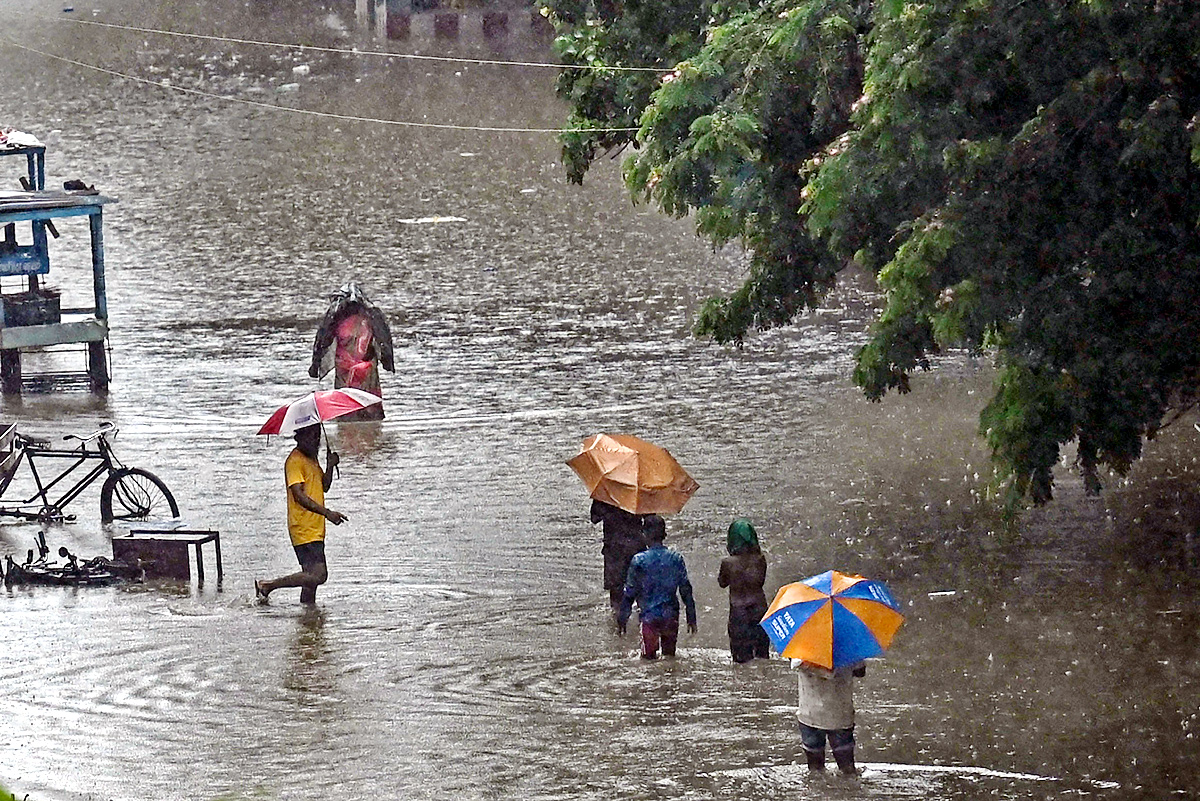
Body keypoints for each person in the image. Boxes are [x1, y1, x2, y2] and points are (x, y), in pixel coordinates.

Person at [255, 424, 348, 605]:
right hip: (303, 528)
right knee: (319, 575)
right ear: (299, 438)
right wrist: (327, 513)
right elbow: (299, 496)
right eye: (311, 437)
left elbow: (324, 486)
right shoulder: (294, 461)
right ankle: (268, 586)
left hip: (315, 527)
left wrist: (329, 466)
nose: (315, 441)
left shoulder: (312, 459)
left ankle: (309, 618)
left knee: (310, 582)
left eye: (317, 437)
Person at [617, 515, 697, 659]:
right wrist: (691, 616)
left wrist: (622, 618)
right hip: (670, 616)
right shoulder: (675, 558)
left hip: (649, 616)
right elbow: (686, 590)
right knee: (669, 657)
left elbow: (630, 593)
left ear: (644, 534)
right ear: (664, 535)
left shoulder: (638, 560)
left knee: (648, 659)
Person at [794, 658, 867, 774]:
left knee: (815, 771)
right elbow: (860, 672)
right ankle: (849, 790)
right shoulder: (848, 648)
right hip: (840, 716)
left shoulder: (801, 650)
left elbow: (794, 663)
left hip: (809, 715)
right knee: (847, 770)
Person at [717, 518, 770, 663]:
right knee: (762, 658)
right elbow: (761, 581)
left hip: (739, 615)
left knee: (741, 662)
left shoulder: (727, 563)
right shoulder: (760, 559)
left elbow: (722, 583)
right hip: (760, 612)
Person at [590, 499, 647, 615]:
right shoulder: (639, 493)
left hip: (614, 548)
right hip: (635, 547)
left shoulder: (606, 492)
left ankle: (618, 627)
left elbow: (594, 518)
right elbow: (650, 517)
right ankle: (642, 625)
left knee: (616, 591)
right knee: (640, 589)